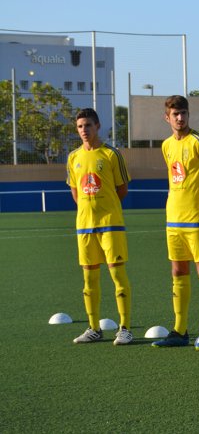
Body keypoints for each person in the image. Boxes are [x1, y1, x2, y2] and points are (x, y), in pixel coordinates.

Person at [152, 95, 199, 350]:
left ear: (188, 115)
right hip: (174, 220)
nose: (180, 118)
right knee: (178, 273)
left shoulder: (198, 141)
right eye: (175, 114)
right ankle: (179, 330)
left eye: (183, 113)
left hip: (198, 220)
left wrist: (197, 199)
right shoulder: (166, 145)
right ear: (167, 117)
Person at [67, 108, 133, 346]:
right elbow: (76, 192)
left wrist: (106, 208)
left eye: (88, 125)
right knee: (89, 280)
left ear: (97, 126)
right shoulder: (73, 157)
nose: (84, 130)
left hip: (110, 225)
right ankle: (94, 328)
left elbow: (122, 189)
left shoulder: (111, 154)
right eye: (80, 126)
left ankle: (125, 328)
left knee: (117, 275)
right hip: (84, 227)